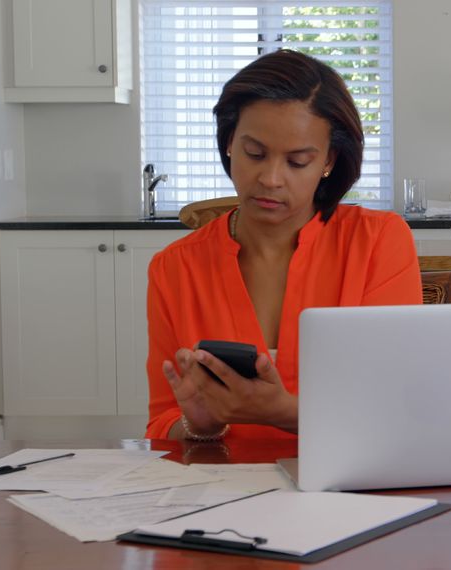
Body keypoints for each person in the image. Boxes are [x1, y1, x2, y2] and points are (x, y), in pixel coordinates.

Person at [145, 50, 422, 441]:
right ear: (228, 143)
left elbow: (399, 409)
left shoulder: (377, 241)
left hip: (350, 490)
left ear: (329, 160)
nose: (271, 179)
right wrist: (199, 425)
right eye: (254, 154)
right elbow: (162, 423)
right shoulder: (174, 268)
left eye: (297, 161)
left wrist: (285, 413)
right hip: (226, 489)